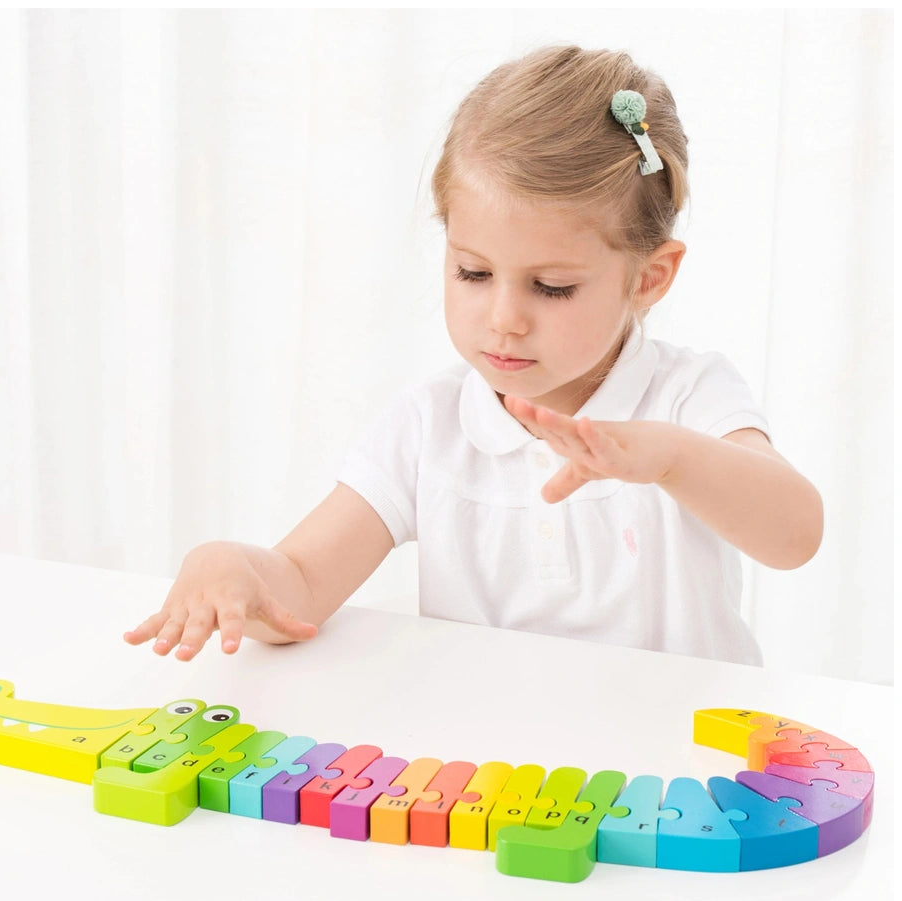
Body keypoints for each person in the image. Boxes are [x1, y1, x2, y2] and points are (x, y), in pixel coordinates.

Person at [124, 45, 822, 667]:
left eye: (551, 287)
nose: (503, 320)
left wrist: (671, 458)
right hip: (491, 781)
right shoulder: (430, 426)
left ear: (647, 279)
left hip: (673, 774)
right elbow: (301, 586)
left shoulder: (688, 396)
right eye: (473, 273)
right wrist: (233, 569)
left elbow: (795, 535)